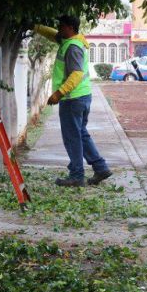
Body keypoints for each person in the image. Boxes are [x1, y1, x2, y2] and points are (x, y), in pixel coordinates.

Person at [35, 15, 112, 187]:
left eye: (61, 26)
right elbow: (53, 34)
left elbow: (76, 74)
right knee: (81, 134)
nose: (59, 29)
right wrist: (36, 27)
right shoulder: (71, 40)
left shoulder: (72, 48)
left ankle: (77, 175)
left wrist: (59, 93)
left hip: (72, 99)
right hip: (82, 97)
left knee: (72, 137)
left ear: (70, 27)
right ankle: (100, 168)